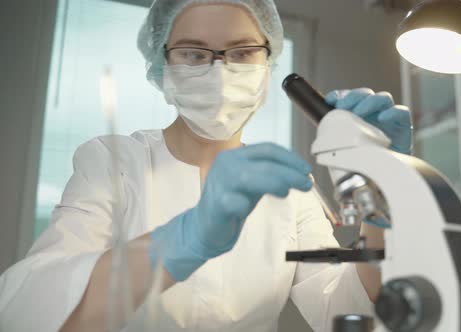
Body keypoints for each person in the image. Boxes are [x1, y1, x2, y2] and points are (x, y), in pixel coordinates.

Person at [0, 0, 412, 331]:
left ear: (266, 66)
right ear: (162, 67)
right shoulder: (113, 162)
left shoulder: (290, 187)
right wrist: (183, 239)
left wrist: (381, 189)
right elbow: (35, 303)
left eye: (242, 52)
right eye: (194, 53)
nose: (219, 70)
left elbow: (346, 308)